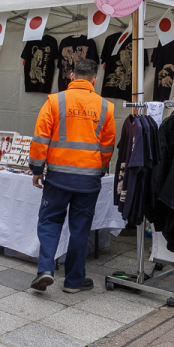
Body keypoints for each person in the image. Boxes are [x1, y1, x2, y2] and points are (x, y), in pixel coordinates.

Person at [28, 58, 115, 293]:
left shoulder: (55, 101)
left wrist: (37, 169)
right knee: (80, 229)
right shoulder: (106, 107)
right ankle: (74, 282)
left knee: (50, 221)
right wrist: (99, 168)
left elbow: (40, 137)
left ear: (72, 76)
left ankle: (45, 270)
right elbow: (107, 147)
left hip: (58, 177)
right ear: (95, 80)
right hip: (88, 179)